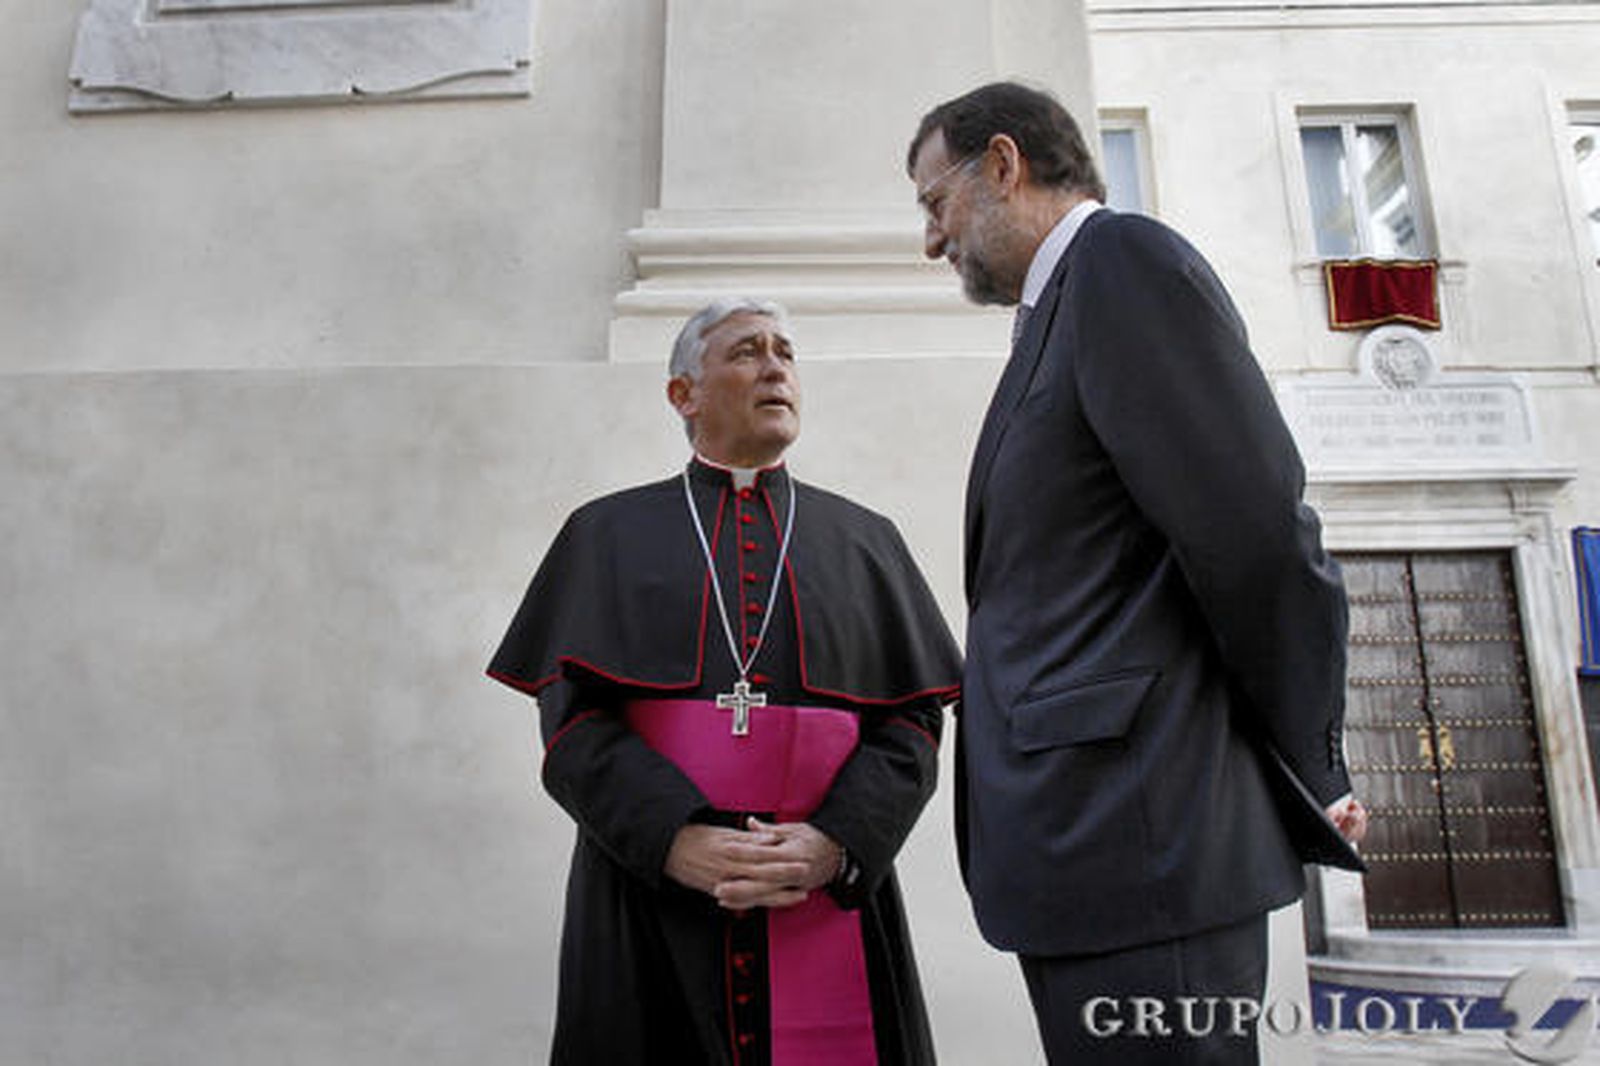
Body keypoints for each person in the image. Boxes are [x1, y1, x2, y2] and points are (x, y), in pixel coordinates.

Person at [905, 82, 1368, 1064]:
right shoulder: (1055, 313)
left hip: (1146, 842)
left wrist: (1308, 761)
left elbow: (1253, 536)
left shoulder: (1122, 264)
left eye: (932, 202)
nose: (932, 240)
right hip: (1090, 852)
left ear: (1001, 163)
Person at [487, 298, 962, 1065]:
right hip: (653, 891)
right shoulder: (604, 534)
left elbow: (911, 729)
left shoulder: (866, 541)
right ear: (684, 394)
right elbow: (573, 726)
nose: (776, 367)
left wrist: (834, 845)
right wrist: (675, 838)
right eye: (746, 352)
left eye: (786, 352)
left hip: (822, 885)